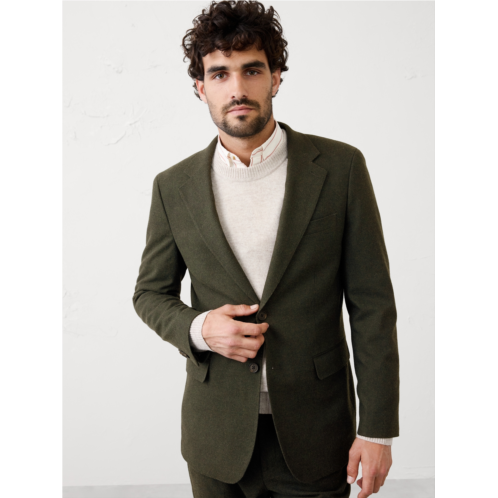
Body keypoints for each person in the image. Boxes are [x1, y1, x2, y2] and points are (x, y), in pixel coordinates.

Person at [133, 1, 399, 497]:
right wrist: (199, 328)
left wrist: (378, 429)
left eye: (252, 70)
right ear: (201, 88)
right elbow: (149, 293)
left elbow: (372, 305)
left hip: (318, 432)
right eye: (219, 74)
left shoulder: (340, 168)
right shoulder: (173, 187)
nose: (237, 88)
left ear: (276, 78)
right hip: (215, 438)